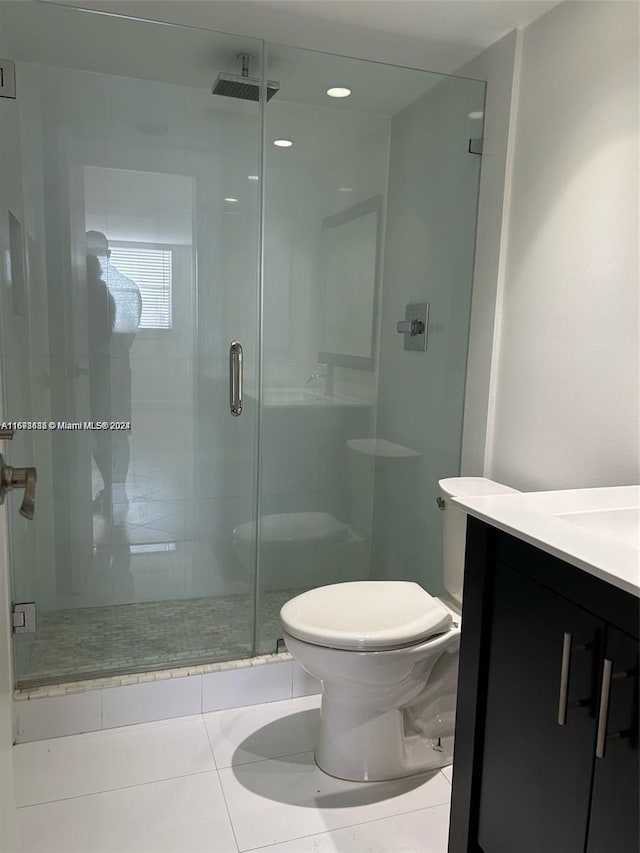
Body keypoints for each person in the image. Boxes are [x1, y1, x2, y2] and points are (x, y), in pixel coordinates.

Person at [85, 231, 142, 514]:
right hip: (113, 371)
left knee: (106, 433)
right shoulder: (126, 287)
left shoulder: (102, 291)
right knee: (113, 433)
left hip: (101, 372)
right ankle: (114, 491)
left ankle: (113, 491)